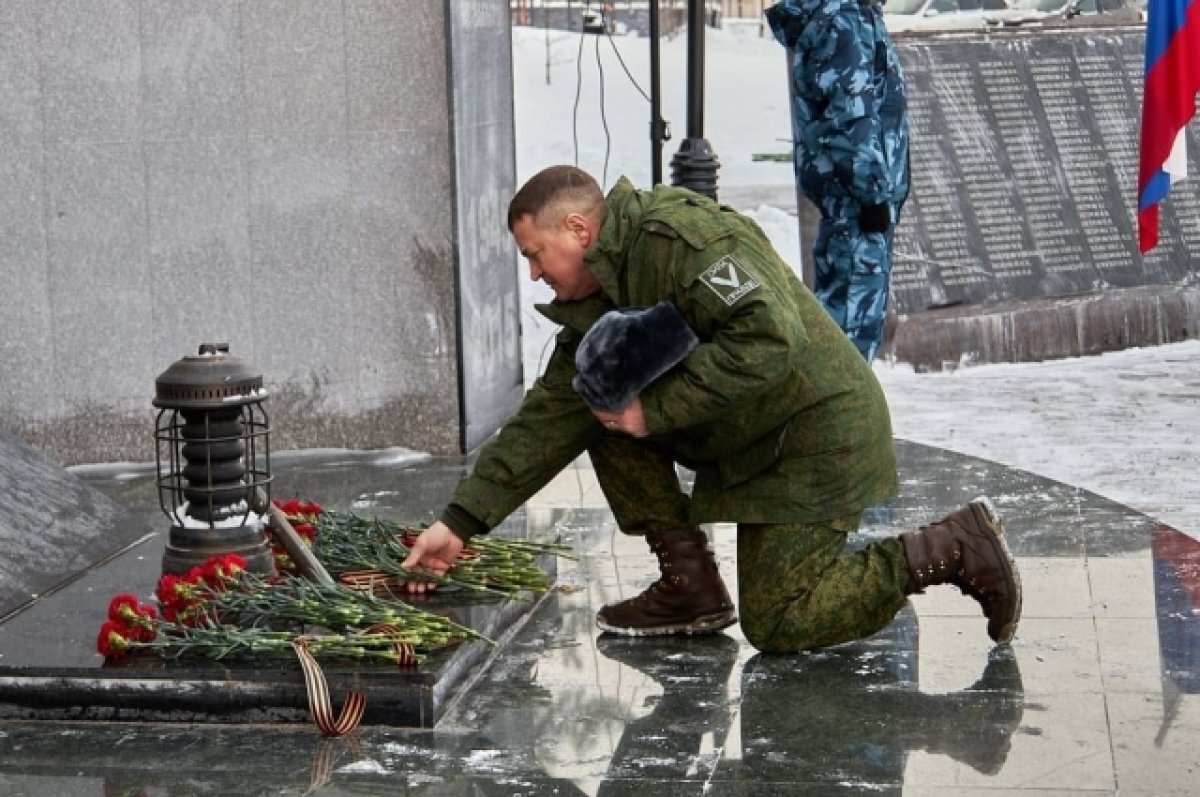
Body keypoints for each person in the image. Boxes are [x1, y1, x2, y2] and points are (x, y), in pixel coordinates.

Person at [401, 165, 1020, 653]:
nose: (534, 274)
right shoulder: (603, 290)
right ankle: (690, 586)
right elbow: (551, 414)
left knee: (781, 623)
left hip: (815, 437)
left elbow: (771, 337)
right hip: (756, 436)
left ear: (578, 231)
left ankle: (949, 547)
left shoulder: (682, 242)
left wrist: (657, 411)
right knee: (599, 403)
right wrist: (458, 523)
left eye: (535, 254)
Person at [766, 0, 911, 361]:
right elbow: (850, 121)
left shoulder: (848, 16)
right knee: (847, 338)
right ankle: (839, 413)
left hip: (852, 201)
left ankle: (843, 410)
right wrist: (873, 194)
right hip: (857, 204)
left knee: (847, 325)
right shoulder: (845, 21)